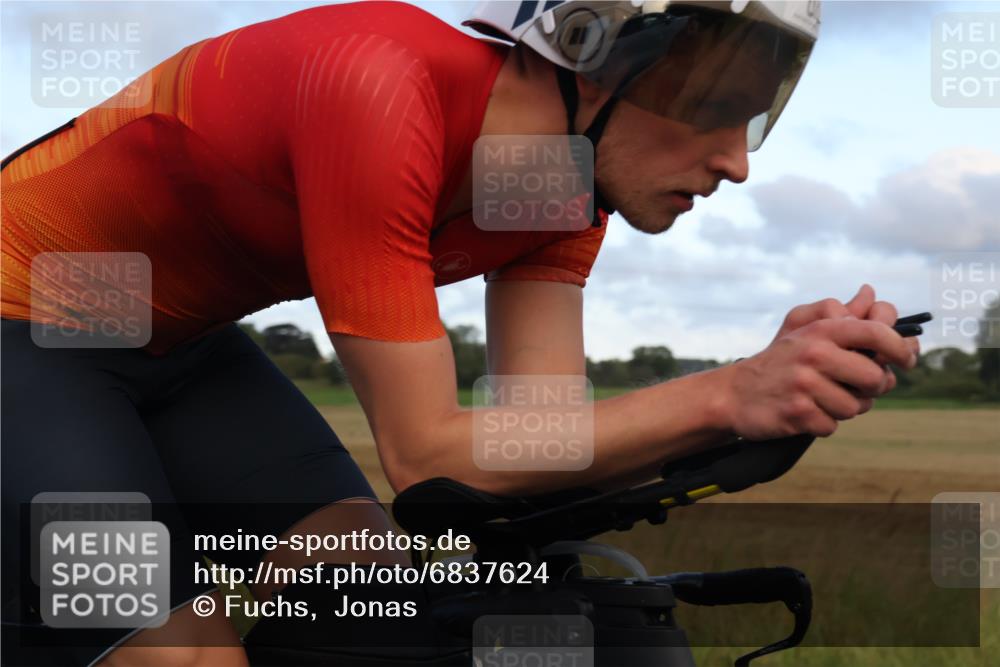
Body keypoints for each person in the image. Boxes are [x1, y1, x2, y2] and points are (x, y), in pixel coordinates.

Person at [1, 1, 919, 666]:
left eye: (756, 115)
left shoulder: (561, 185)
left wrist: (763, 403)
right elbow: (431, 455)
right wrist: (728, 388)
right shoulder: (377, 84)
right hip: (20, 328)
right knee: (181, 653)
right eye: (714, 104)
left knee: (364, 599)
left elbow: (526, 456)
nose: (738, 161)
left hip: (179, 347)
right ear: (593, 44)